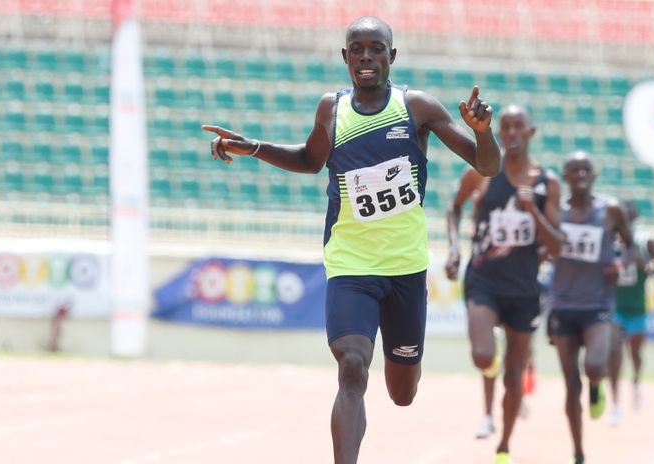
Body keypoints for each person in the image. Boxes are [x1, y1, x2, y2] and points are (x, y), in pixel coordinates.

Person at [202, 16, 501, 464]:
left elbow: (487, 166)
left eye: (376, 48)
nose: (366, 57)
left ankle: (402, 374)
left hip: (404, 266)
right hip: (350, 264)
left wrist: (482, 132)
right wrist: (255, 147)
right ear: (345, 58)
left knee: (402, 393)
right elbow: (309, 159)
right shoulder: (331, 109)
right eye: (357, 49)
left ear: (391, 56)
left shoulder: (416, 107)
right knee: (352, 367)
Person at [445, 105, 563, 464]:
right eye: (505, 127)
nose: (510, 133)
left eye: (518, 127)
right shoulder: (482, 173)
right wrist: (454, 248)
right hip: (483, 279)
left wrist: (534, 211)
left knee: (515, 376)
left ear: (531, 132)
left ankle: (505, 444)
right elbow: (454, 209)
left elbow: (557, 246)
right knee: (483, 355)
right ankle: (488, 375)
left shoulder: (548, 183)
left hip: (524, 287)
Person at [548, 151, 634, 464]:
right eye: (574, 170)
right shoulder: (556, 211)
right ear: (566, 176)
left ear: (594, 175)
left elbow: (631, 246)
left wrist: (620, 263)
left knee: (594, 367)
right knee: (571, 386)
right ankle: (579, 452)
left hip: (597, 305)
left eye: (586, 169)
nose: (580, 174)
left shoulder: (610, 209)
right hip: (563, 306)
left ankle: (596, 386)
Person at [606, 200, 654, 426]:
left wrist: (643, 265)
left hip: (637, 308)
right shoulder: (608, 240)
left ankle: (636, 384)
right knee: (613, 351)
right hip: (615, 308)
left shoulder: (646, 242)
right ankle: (615, 403)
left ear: (635, 218)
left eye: (630, 216)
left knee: (635, 354)